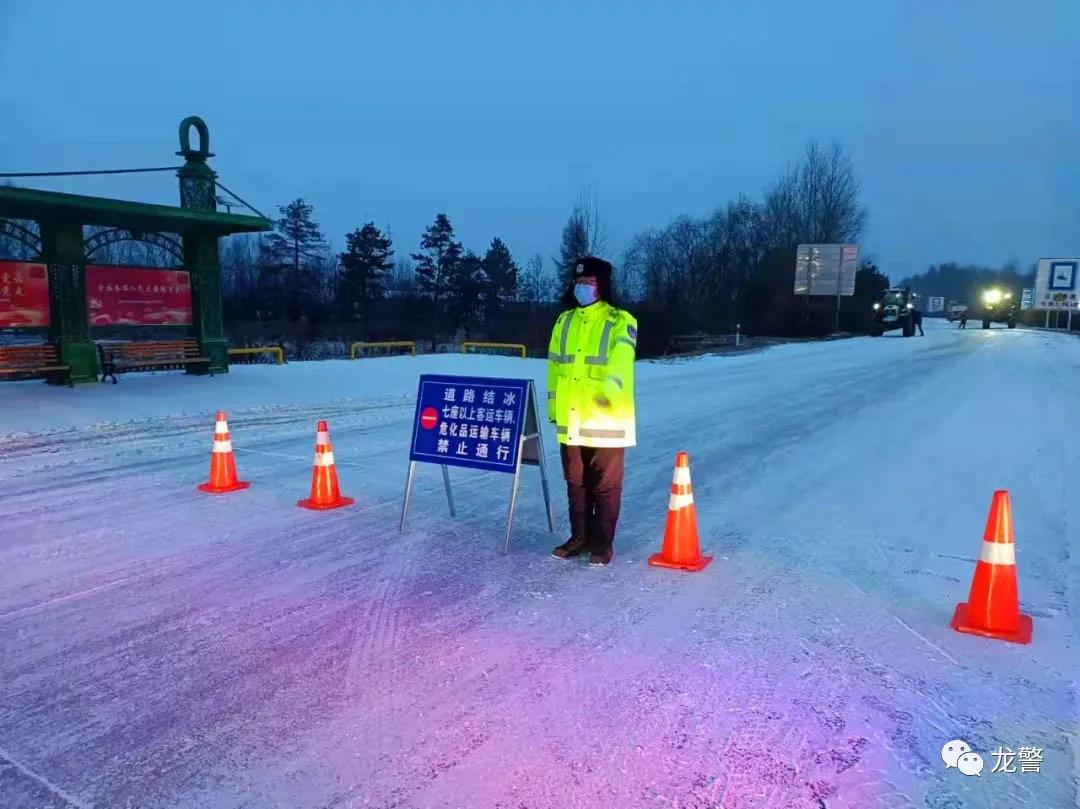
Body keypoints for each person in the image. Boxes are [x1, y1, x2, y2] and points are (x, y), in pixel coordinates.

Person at [547, 257, 637, 566]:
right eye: (579, 282)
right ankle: (579, 537)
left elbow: (621, 362)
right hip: (570, 418)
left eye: (589, 283)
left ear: (603, 285)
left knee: (605, 486)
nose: (582, 287)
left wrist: (606, 395)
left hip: (606, 418)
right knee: (576, 483)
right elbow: (555, 369)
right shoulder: (564, 321)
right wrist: (553, 408)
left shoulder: (620, 320)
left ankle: (602, 544)